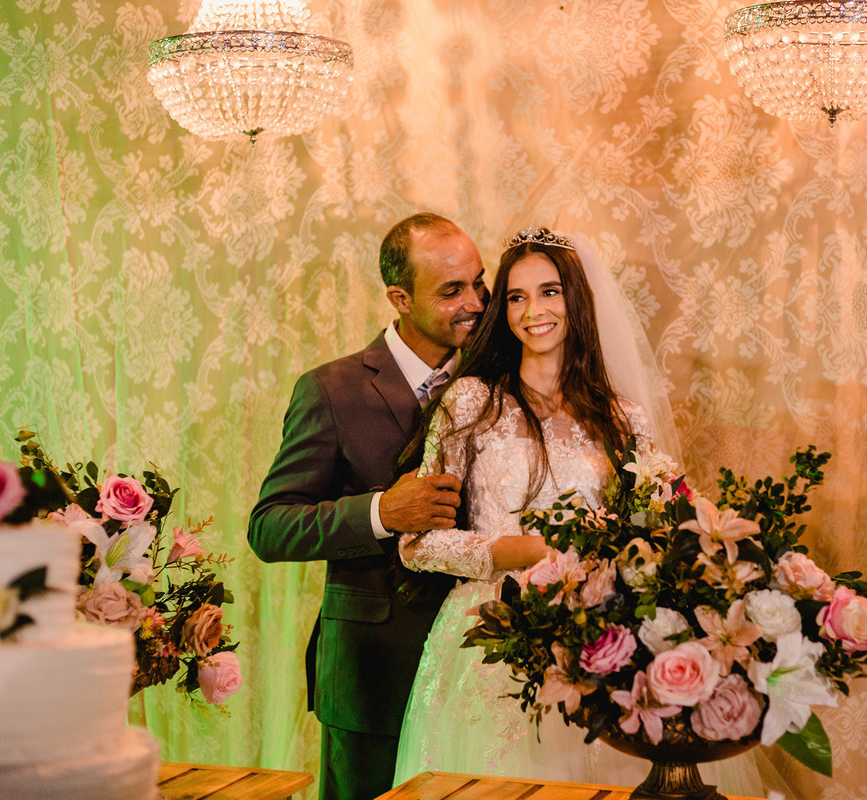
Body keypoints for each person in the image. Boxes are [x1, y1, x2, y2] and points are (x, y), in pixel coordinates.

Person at [390, 228, 763, 794]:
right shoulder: (470, 402)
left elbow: (678, 510)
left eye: (549, 292)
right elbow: (415, 545)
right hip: (491, 635)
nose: (532, 311)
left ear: (576, 301)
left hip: (595, 636)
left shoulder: (622, 419)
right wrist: (508, 552)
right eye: (515, 297)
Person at [248, 213, 487, 800]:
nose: (476, 303)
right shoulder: (331, 389)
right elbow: (270, 526)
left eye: (479, 283)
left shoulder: (496, 380)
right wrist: (382, 511)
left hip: (477, 669)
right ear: (399, 298)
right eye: (452, 290)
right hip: (372, 672)